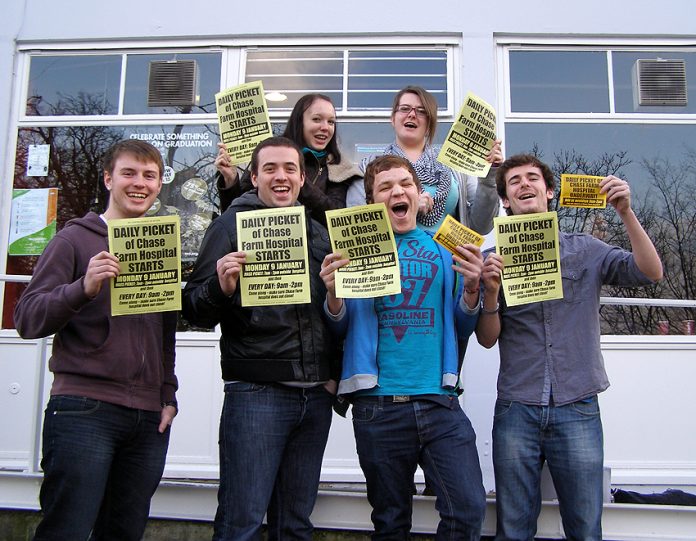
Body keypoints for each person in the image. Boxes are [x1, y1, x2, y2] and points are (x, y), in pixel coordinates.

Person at [475, 154, 663, 541]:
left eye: (532, 179)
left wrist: (626, 212)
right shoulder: (491, 259)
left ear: (549, 192)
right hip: (516, 408)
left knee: (584, 528)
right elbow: (487, 337)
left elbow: (651, 272)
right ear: (506, 200)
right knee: (512, 530)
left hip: (577, 406)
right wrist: (490, 293)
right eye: (514, 182)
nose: (524, 184)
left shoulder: (587, 250)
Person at [14, 139, 178, 541]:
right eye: (129, 173)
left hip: (146, 419)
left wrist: (168, 395)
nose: (139, 183)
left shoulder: (158, 245)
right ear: (108, 179)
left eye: (149, 176)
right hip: (85, 410)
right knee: (66, 529)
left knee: (124, 532)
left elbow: (164, 333)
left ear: (159, 185)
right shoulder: (73, 240)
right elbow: (27, 318)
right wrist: (81, 288)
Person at [321, 155, 487, 540]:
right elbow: (340, 327)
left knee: (467, 509)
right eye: (385, 187)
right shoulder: (354, 251)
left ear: (418, 194)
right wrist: (333, 295)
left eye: (405, 185)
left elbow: (464, 326)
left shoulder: (448, 247)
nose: (397, 191)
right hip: (377, 407)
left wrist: (475, 288)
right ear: (372, 202)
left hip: (439, 402)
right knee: (391, 522)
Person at [182, 136, 339, 541]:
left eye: (289, 168)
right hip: (257, 394)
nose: (281, 176)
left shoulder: (320, 234)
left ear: (303, 178)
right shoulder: (227, 226)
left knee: (296, 524)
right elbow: (193, 310)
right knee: (242, 521)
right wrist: (221, 286)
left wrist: (333, 374)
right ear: (254, 177)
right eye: (270, 168)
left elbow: (336, 315)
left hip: (315, 397)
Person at [346, 85, 503, 235]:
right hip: (400, 260)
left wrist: (489, 176)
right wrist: (410, 208)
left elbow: (481, 225)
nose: (412, 115)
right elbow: (358, 227)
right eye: (405, 109)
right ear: (393, 118)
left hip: (449, 261)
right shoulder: (368, 167)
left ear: (429, 124)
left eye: (421, 111)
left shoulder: (453, 164)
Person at [215, 93, 361, 225]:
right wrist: (230, 180)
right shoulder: (268, 154)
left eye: (331, 122)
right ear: (299, 122)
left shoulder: (340, 169)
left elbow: (336, 220)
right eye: (317, 119)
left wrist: (294, 179)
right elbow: (233, 215)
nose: (325, 127)